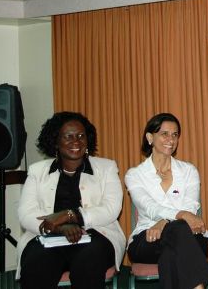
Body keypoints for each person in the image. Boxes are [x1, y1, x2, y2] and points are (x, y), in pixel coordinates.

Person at [16, 111, 126, 289]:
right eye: (68, 136)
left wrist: (70, 215)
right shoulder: (37, 171)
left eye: (81, 136)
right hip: (48, 236)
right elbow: (26, 213)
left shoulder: (106, 168)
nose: (76, 142)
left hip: (95, 235)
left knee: (89, 260)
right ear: (55, 142)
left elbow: (111, 209)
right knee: (37, 262)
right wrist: (59, 227)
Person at [125, 113, 208, 289]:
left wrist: (165, 222)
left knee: (172, 250)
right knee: (179, 235)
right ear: (150, 137)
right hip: (148, 237)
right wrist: (179, 215)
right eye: (164, 134)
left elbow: (190, 207)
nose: (171, 140)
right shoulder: (134, 175)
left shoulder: (189, 171)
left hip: (189, 234)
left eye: (175, 135)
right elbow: (149, 207)